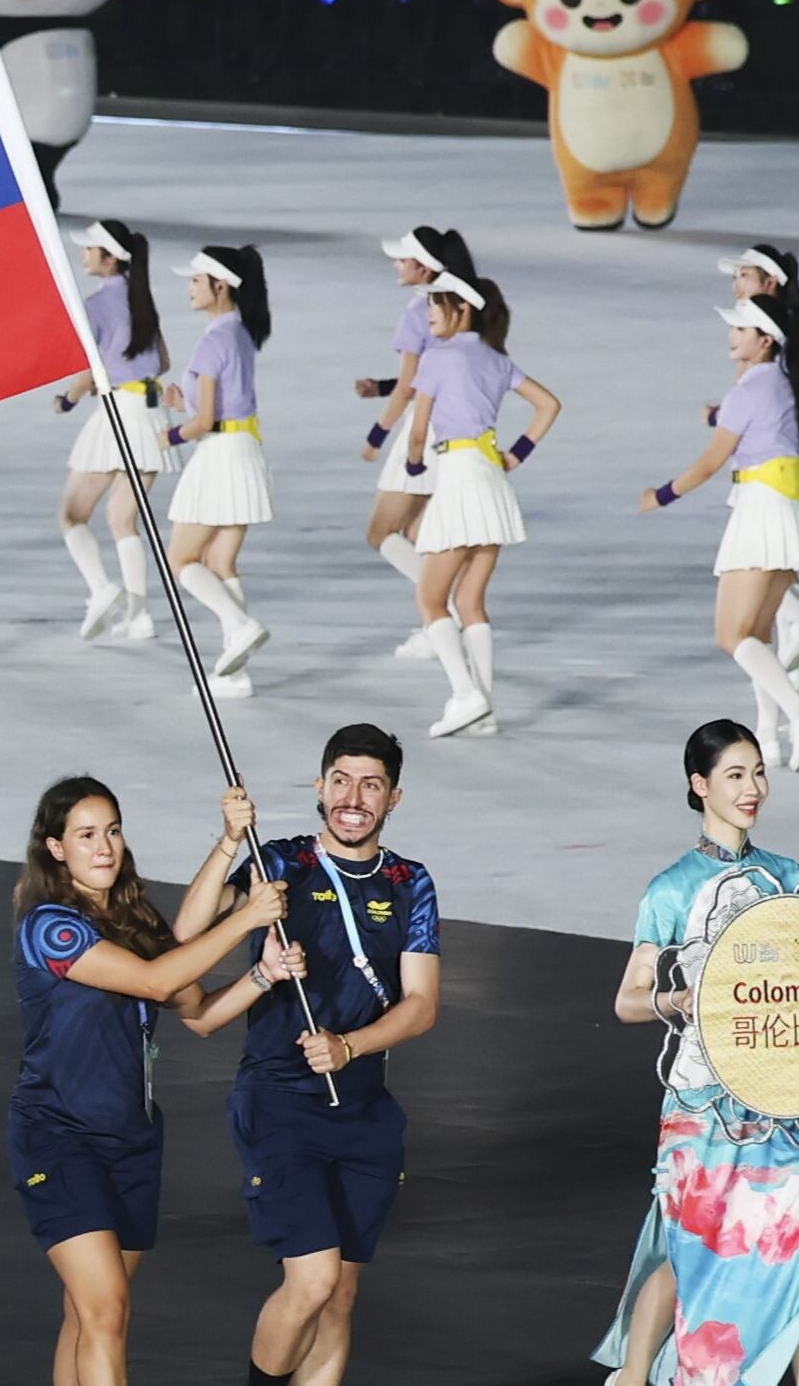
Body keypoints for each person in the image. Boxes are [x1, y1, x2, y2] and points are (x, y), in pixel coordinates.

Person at [592, 718, 799, 1386]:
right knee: (689, 1243)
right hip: (703, 1099)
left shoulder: (788, 876)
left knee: (797, 1247)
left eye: (757, 772)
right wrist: (688, 999)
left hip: (785, 1093)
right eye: (735, 774)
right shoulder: (671, 888)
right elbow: (628, 999)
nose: (752, 787)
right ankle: (632, 1374)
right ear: (698, 784)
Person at [172, 723, 443, 1386]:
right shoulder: (279, 865)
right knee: (313, 1277)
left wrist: (350, 1044)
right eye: (342, 780)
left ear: (393, 798)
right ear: (319, 787)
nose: (354, 797)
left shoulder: (412, 882)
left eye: (371, 784)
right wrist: (230, 840)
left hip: (363, 1111)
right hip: (277, 1100)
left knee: (341, 1294)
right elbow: (185, 933)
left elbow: (420, 1003)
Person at [10, 775, 301, 1386]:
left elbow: (196, 1012)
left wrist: (263, 975)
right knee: (107, 1310)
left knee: (87, 1315)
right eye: (86, 835)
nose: (104, 847)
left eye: (112, 831)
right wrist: (247, 915)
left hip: (133, 1144)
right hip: (60, 1137)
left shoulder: (132, 920)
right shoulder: (50, 927)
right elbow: (155, 983)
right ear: (56, 848)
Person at [641, 295, 799, 770]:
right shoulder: (790, 384)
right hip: (786, 509)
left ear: (765, 340)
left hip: (759, 513)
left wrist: (662, 495)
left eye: (741, 329)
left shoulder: (750, 391)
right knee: (756, 633)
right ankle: (768, 735)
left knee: (731, 635)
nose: (732, 335)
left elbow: (712, 460)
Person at [400, 271, 561, 738]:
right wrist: (517, 454)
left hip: (458, 477)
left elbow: (417, 430)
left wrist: (413, 467)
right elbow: (548, 405)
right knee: (470, 599)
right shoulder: (495, 359)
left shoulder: (437, 358)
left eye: (436, 304)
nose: (428, 313)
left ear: (461, 310)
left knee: (431, 597)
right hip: (490, 476)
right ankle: (485, 707)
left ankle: (465, 693)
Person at [717, 246, 799, 760]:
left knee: (746, 623)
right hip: (774, 476)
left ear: (768, 282)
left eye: (744, 275)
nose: (735, 284)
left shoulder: (776, 346)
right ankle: (768, 729)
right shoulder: (763, 342)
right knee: (756, 628)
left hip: (778, 479)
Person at [52, 221, 176, 644]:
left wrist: (68, 399)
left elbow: (89, 370)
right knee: (124, 521)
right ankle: (139, 616)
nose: (84, 255)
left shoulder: (96, 305)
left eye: (91, 250)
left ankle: (102, 589)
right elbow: (161, 360)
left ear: (110, 257)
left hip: (117, 416)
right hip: (150, 416)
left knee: (72, 516)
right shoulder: (142, 297)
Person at [360, 227, 478, 658]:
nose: (396, 264)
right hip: (455, 429)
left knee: (382, 532)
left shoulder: (421, 310)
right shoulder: (462, 302)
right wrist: (383, 385)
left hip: (423, 431)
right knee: (419, 533)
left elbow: (412, 383)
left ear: (423, 267)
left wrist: (378, 432)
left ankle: (443, 610)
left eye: (403, 259)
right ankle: (438, 623)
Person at [164, 245, 275, 696]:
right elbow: (221, 402)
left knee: (182, 559)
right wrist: (184, 403)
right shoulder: (241, 334)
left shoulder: (213, 340)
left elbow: (204, 421)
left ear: (221, 285)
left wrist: (170, 435)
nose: (189, 287)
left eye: (196, 280)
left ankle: (239, 625)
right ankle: (236, 669)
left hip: (219, 454)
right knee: (221, 560)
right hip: (245, 449)